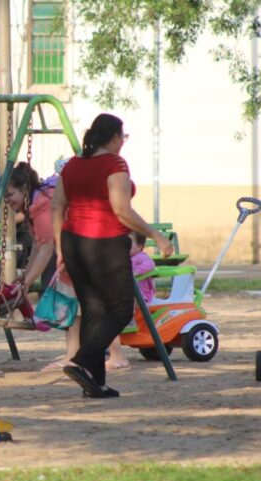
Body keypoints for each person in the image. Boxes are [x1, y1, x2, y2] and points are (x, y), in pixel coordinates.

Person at [52, 113, 173, 399]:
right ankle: (81, 362)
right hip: (104, 243)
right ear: (116, 137)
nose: (123, 142)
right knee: (119, 311)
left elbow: (57, 206)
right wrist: (156, 235)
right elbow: (121, 209)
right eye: (123, 137)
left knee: (94, 311)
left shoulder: (72, 165)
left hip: (73, 243)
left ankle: (96, 384)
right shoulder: (115, 164)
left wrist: (59, 249)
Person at [0, 162, 78, 369]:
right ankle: (72, 354)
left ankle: (77, 355)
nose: (7, 201)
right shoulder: (36, 205)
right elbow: (37, 244)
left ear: (24, 189)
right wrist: (25, 276)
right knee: (72, 305)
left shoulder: (43, 204)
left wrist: (26, 284)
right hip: (71, 250)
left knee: (75, 306)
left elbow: (46, 248)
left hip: (79, 249)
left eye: (10, 194)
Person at [105, 230, 158, 370]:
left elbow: (150, 265)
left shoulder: (141, 257)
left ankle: (129, 320)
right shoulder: (119, 258)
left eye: (128, 242)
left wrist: (135, 271)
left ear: (140, 246)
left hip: (141, 294)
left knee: (127, 297)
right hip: (122, 292)